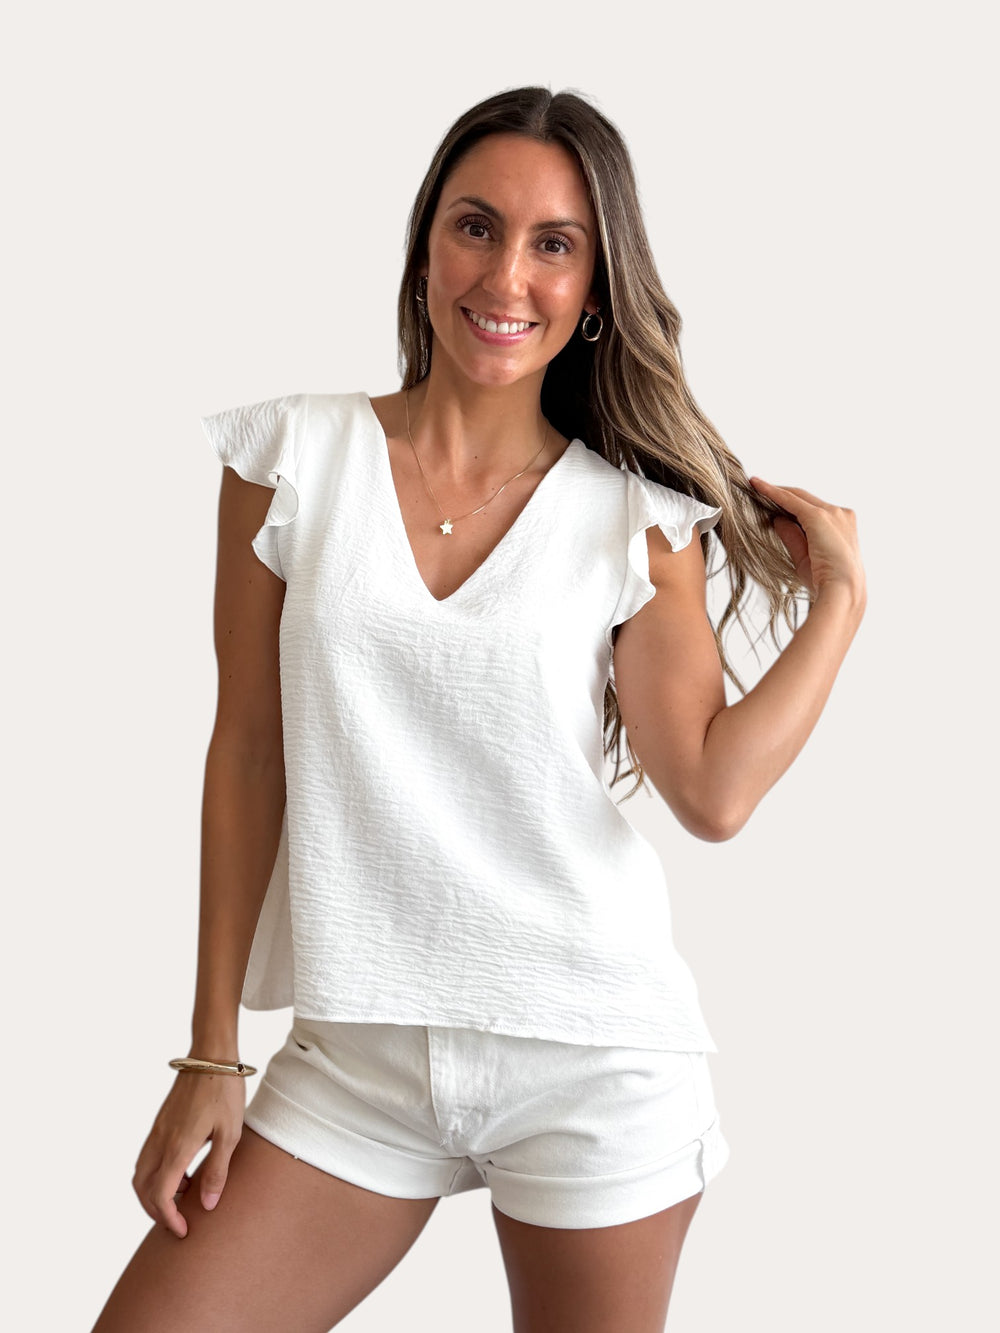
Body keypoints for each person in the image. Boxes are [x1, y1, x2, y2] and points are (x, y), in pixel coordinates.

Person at [92, 87, 866, 1332]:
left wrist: (840, 603)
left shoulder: (634, 521)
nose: (507, 276)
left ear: (595, 288)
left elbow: (712, 793)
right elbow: (247, 753)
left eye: (555, 244)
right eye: (475, 227)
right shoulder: (288, 461)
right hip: (357, 1057)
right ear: (424, 250)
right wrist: (211, 1049)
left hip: (589, 1055)